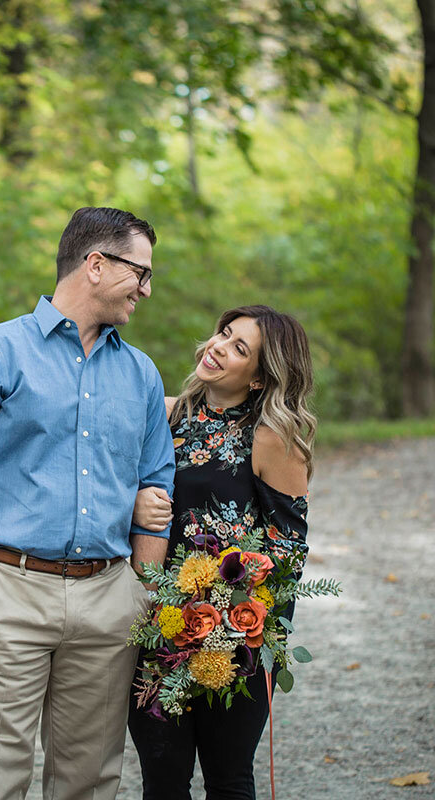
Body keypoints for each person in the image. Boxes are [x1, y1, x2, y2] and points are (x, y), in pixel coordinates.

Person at [0, 207, 176, 800]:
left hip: (109, 599)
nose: (147, 288)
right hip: (9, 591)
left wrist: (143, 585)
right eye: (141, 272)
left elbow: (157, 477)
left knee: (89, 782)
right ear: (96, 265)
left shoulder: (139, 374)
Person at [128, 305, 316, 800]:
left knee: (229, 781)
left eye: (239, 348)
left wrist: (253, 638)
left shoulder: (273, 437)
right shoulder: (165, 414)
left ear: (259, 378)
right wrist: (133, 506)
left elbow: (288, 551)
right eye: (223, 334)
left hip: (234, 641)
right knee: (162, 782)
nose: (217, 347)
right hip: (160, 628)